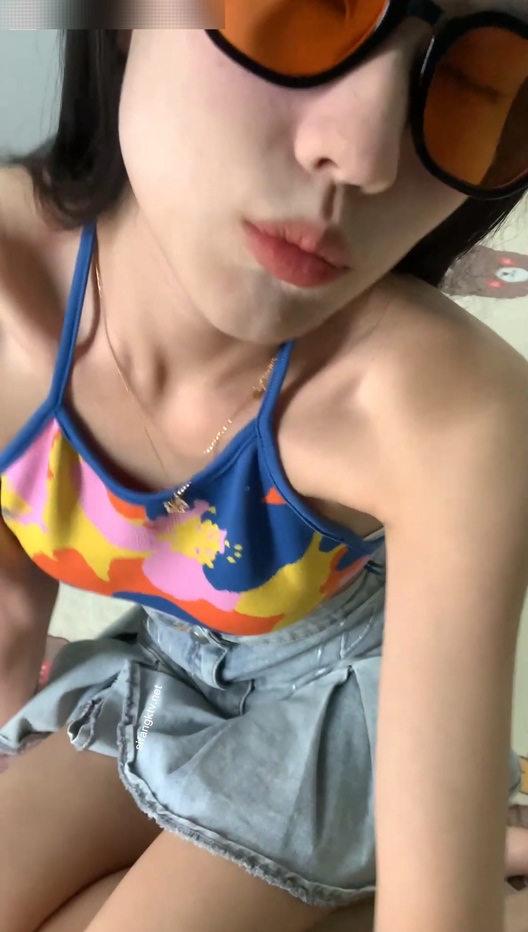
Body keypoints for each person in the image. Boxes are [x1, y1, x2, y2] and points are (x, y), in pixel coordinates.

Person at [0, 6, 528, 932]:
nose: (364, 156)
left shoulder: (445, 409)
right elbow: (9, 620)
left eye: (473, 82)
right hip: (167, 666)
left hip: (351, 706)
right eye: (307, 10)